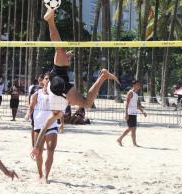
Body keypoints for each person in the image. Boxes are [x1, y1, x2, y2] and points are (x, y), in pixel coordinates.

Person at [31, 8, 120, 159]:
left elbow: (45, 126)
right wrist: (37, 147)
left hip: (58, 81)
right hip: (59, 81)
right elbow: (46, 126)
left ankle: (50, 19)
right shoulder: (56, 112)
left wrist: (37, 147)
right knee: (85, 103)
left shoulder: (56, 112)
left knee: (84, 103)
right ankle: (102, 76)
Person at [25, 73, 62, 184]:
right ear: (42, 81)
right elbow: (31, 107)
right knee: (39, 152)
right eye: (46, 79)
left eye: (50, 79)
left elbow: (60, 112)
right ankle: (40, 174)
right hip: (38, 126)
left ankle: (46, 176)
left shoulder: (56, 96)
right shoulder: (36, 94)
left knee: (51, 150)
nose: (48, 81)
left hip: (52, 126)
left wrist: (62, 123)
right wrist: (28, 114)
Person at [117, 80, 147, 147]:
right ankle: (120, 139)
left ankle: (134, 143)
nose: (139, 86)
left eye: (139, 85)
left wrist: (142, 111)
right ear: (134, 85)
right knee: (131, 128)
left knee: (133, 129)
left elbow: (136, 105)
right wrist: (126, 113)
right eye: (137, 84)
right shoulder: (130, 93)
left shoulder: (136, 94)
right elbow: (126, 103)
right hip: (130, 113)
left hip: (134, 113)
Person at [27, 75, 45, 148]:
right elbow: (30, 98)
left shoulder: (46, 89)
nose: (40, 81)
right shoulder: (34, 87)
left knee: (43, 128)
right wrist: (29, 108)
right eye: (39, 79)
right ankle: (33, 144)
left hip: (43, 111)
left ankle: (40, 144)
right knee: (33, 127)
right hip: (35, 111)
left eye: (41, 79)